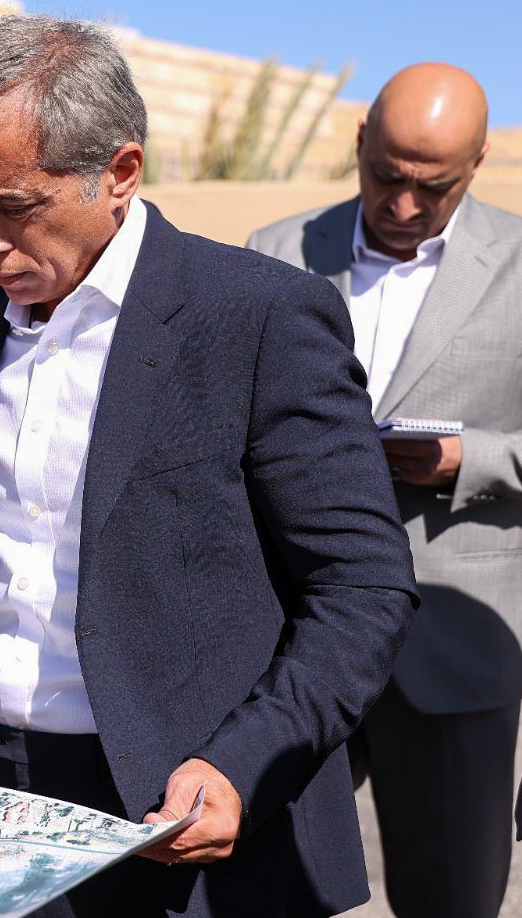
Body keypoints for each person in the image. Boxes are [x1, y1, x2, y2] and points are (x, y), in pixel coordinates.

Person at [0, 14, 418, 918]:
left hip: (178, 827)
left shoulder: (256, 317)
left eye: (13, 207)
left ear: (119, 172)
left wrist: (241, 762)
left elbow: (361, 588)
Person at [247, 62, 522, 918]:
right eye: (385, 176)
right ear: (359, 140)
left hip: (457, 652)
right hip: (291, 640)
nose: (402, 206)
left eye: (432, 188)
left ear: (476, 164)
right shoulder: (271, 252)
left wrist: (469, 459)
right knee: (263, 888)